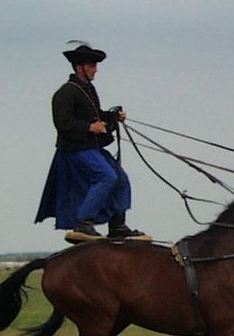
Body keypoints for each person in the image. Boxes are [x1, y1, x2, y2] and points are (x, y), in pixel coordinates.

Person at [35, 41, 151, 244]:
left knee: (121, 178)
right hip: (75, 150)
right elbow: (63, 123)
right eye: (92, 66)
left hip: (91, 147)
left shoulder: (87, 90)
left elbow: (95, 115)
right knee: (106, 177)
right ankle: (83, 223)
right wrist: (90, 127)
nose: (96, 70)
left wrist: (113, 118)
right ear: (80, 67)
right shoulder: (65, 92)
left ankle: (117, 226)